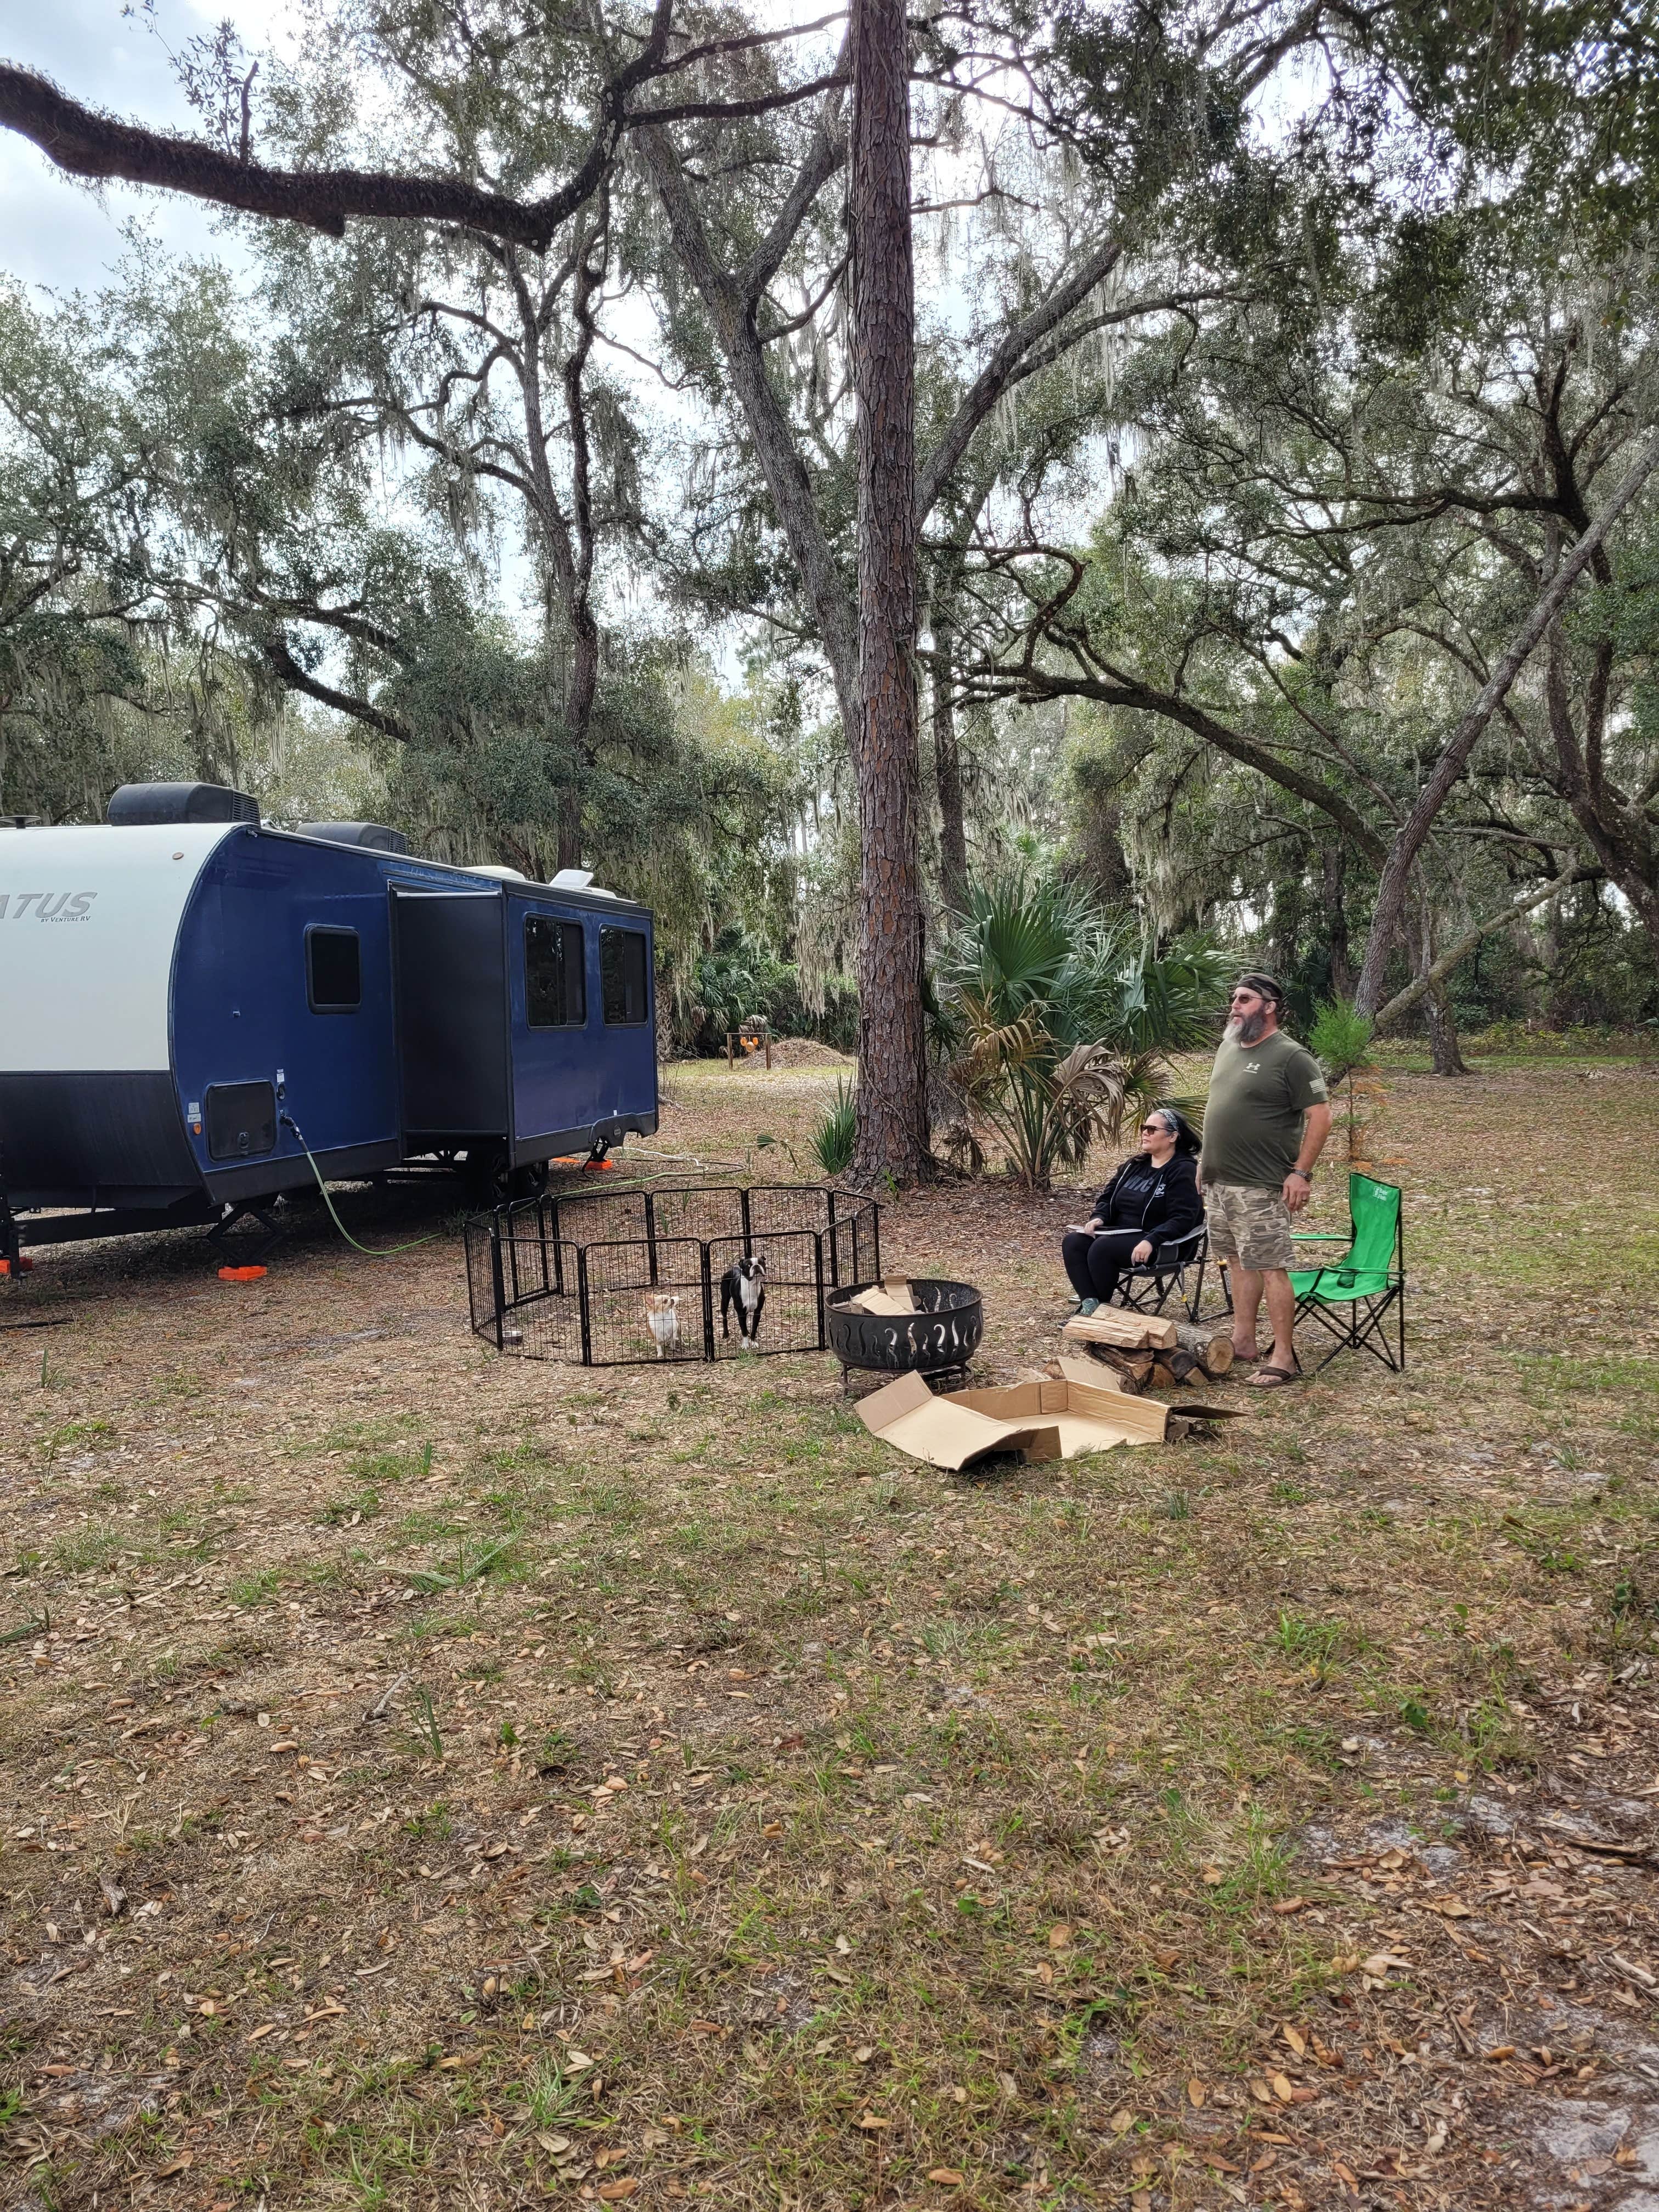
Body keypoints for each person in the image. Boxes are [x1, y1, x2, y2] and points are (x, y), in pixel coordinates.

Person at [1199, 972, 1332, 1387]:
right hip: (1220, 1181)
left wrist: (1300, 1173)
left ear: (1270, 1006)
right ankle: (1243, 1341)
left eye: (1244, 999)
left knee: (1272, 1267)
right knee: (1238, 1261)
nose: (1234, 1005)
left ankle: (1284, 1357)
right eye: (1233, 998)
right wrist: (1204, 1162)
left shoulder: (1291, 1056)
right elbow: (1217, 1109)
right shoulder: (1230, 1047)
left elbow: (1322, 1116)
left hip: (1261, 1183)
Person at [1061, 1106, 1203, 1314]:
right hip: (1120, 1233)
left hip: (1163, 1244)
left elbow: (1184, 1218)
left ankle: (1098, 1314)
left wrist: (1152, 1240)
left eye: (1152, 1129)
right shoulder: (1134, 1165)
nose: (1145, 1133)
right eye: (1144, 1128)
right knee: (1074, 1241)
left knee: (1103, 1248)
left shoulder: (1183, 1169)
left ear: (1172, 1136)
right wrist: (1099, 1217)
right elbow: (1108, 1197)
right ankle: (1091, 1306)